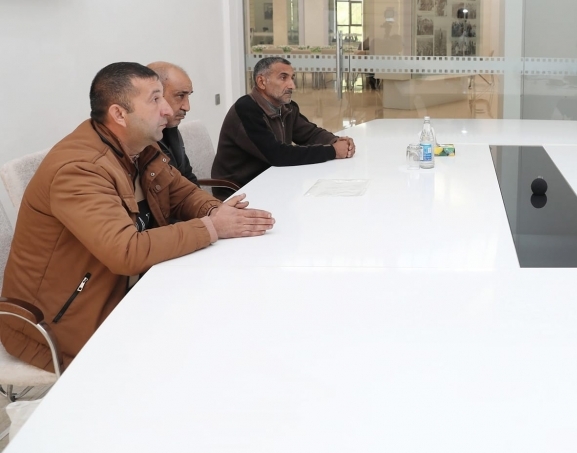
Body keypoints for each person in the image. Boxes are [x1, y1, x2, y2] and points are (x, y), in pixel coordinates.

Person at [0, 63, 275, 371]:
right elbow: (126, 252)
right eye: (155, 99)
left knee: (231, 314)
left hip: (126, 291)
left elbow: (182, 193)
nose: (168, 109)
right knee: (206, 349)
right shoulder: (79, 169)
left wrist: (215, 210)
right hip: (58, 324)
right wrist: (211, 227)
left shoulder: (139, 147)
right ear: (119, 114)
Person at [212, 57, 356, 191]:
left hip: (272, 180)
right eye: (283, 78)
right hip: (240, 190)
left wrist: (335, 141)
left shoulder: (287, 107)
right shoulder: (246, 109)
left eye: (292, 78)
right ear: (261, 82)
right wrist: (332, 151)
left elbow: (309, 134)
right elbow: (277, 154)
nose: (292, 85)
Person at [146, 61, 197, 185]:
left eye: (188, 96)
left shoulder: (171, 128)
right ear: (156, 96)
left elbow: (187, 176)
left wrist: (207, 199)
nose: (187, 107)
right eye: (180, 96)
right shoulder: (141, 141)